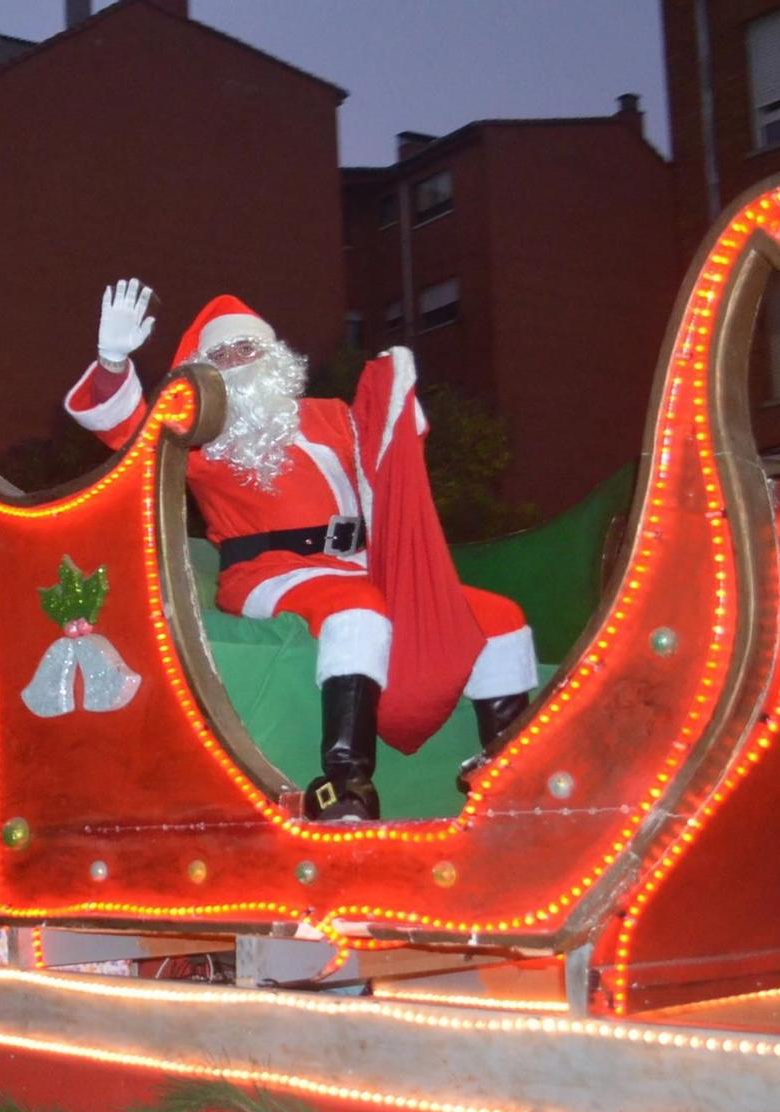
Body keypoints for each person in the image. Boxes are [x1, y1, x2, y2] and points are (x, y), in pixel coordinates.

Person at [65, 282, 537, 819]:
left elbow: (393, 451)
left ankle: (509, 769)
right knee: (358, 615)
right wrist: (111, 361)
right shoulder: (199, 435)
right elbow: (124, 430)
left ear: (275, 356)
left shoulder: (333, 414)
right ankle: (347, 782)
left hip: (360, 566)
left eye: (248, 348)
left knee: (499, 617)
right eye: (220, 355)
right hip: (267, 572)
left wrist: (395, 389)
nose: (237, 360)